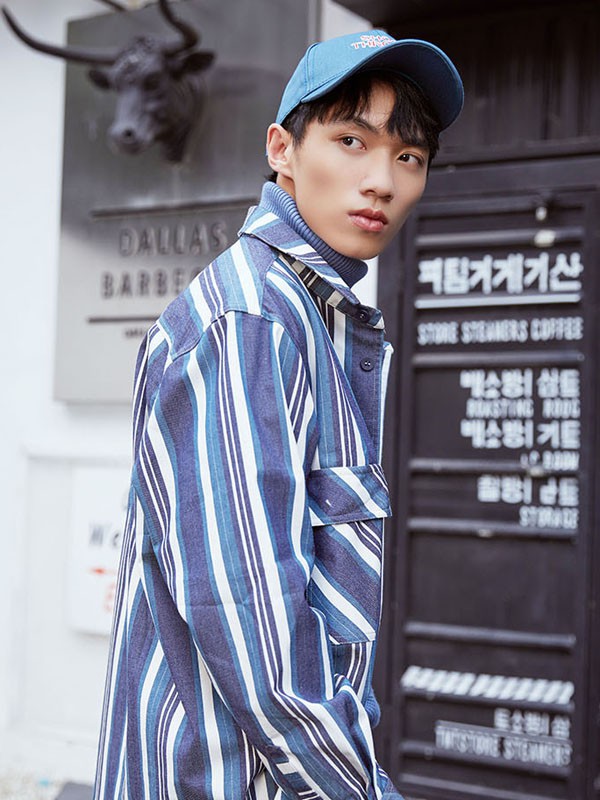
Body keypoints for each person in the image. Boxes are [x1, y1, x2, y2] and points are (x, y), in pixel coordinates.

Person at [93, 29, 463, 800]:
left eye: (409, 156)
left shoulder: (306, 316)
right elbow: (253, 631)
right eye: (351, 140)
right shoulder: (249, 323)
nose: (382, 181)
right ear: (282, 150)